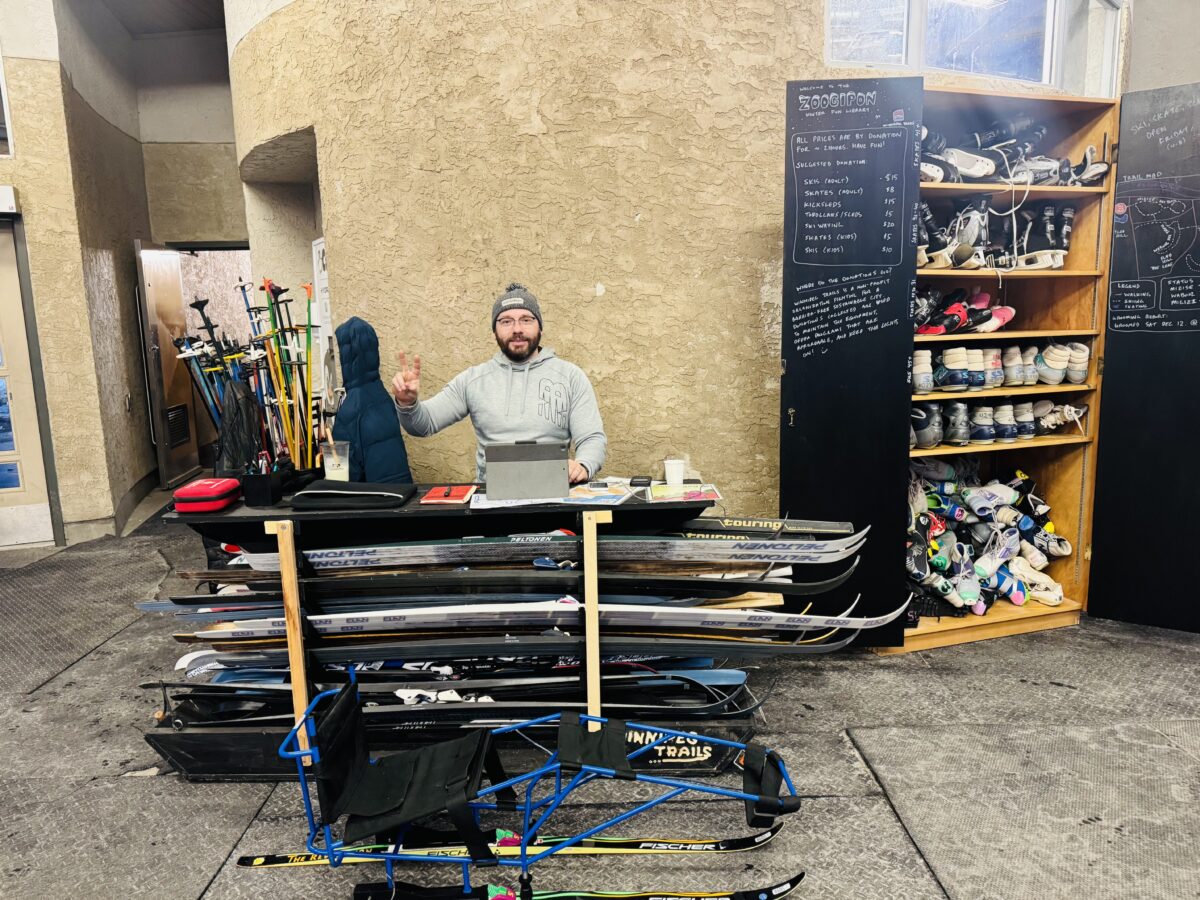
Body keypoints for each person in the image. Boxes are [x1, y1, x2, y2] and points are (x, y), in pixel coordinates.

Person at [391, 283, 606, 483]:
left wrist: (582, 465)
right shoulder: (473, 380)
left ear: (540, 327)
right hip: (490, 505)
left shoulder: (570, 377)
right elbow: (424, 424)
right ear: (495, 331)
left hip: (555, 496)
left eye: (526, 319)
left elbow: (592, 438)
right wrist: (407, 403)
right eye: (506, 321)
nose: (517, 329)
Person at [333, 316, 414, 483]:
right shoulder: (383, 397)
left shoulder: (351, 409)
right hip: (398, 497)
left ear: (345, 356)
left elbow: (341, 477)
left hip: (370, 503)